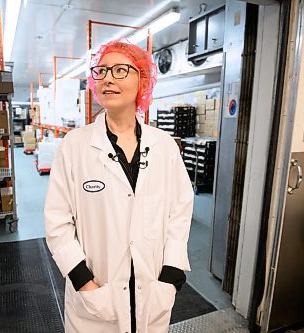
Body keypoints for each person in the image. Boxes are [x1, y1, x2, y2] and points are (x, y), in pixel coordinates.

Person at [44, 39, 194, 333]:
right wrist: (82, 281)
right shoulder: (75, 146)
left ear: (143, 80)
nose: (108, 78)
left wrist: (172, 275)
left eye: (120, 70)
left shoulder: (163, 146)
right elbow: (57, 222)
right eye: (101, 71)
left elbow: (180, 211)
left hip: (153, 290)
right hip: (97, 294)